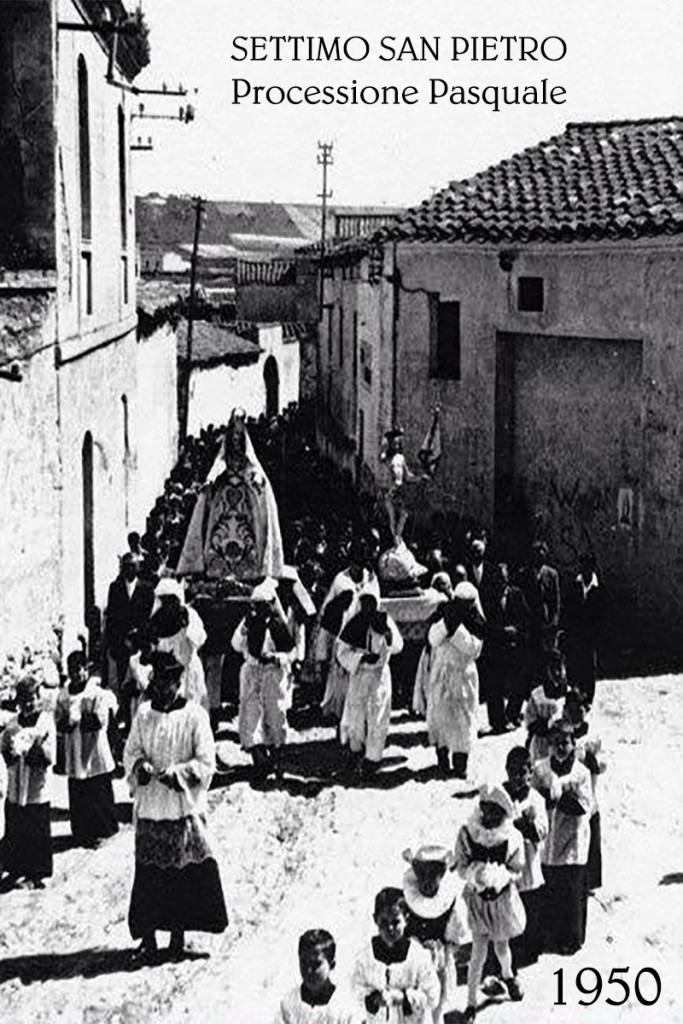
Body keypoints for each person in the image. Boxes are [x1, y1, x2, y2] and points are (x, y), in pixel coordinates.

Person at [123, 651, 228, 962]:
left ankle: (177, 938)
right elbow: (131, 751)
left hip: (182, 810)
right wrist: (139, 766)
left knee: (181, 878)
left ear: (179, 682)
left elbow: (207, 762)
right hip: (152, 809)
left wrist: (181, 774)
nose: (162, 690)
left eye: (169, 683)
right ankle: (148, 940)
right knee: (149, 876)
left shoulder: (195, 716)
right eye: (158, 683)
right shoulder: (143, 715)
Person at [177, 407, 284, 580]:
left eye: (238, 436)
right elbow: (218, 465)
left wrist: (256, 479)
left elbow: (254, 468)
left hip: (243, 498)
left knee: (247, 532)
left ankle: (249, 569)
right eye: (233, 435)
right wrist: (212, 479)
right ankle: (217, 567)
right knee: (219, 529)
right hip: (225, 497)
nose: (235, 440)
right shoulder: (224, 452)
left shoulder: (247, 454)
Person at [454, 784, 526, 1021]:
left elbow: (517, 869)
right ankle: (472, 1003)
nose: (490, 816)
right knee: (478, 953)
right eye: (486, 810)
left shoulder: (511, 837)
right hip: (478, 901)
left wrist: (500, 876)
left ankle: (508, 975)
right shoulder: (468, 832)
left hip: (500, 901)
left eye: (496, 812)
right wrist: (475, 873)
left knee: (502, 947)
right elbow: (461, 865)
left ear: (504, 813)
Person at [532, 719, 592, 955]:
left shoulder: (581, 773)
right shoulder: (541, 769)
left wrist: (563, 796)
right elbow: (533, 798)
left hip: (572, 840)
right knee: (550, 888)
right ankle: (550, 934)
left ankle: (571, 938)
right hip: (548, 839)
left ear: (573, 743)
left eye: (565, 743)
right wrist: (544, 797)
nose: (560, 747)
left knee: (571, 891)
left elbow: (586, 805)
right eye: (555, 743)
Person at [231, 579, 296, 780]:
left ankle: (276, 758)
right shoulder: (248, 623)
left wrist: (278, 658)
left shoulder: (278, 624)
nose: (260, 609)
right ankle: (260, 762)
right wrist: (245, 630)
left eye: (264, 605)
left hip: (273, 676)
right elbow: (235, 645)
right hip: (252, 673)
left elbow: (291, 652)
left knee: (275, 717)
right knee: (251, 717)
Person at [55, 651, 119, 847]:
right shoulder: (64, 695)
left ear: (86, 669)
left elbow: (100, 719)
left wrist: (80, 719)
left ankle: (103, 829)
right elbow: (58, 720)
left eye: (80, 670)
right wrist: (66, 722)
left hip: (93, 747)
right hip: (74, 747)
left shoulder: (96, 693)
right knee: (79, 791)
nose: (76, 674)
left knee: (97, 789)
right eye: (72, 671)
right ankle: (82, 832)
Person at [352, 887, 440, 1024]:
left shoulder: (418, 957)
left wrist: (405, 998)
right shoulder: (365, 957)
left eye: (395, 922)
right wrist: (372, 999)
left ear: (406, 918)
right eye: (384, 923)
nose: (390, 928)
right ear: (375, 919)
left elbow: (432, 996)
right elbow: (356, 989)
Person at [337, 599, 404, 779]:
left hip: (380, 676)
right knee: (356, 715)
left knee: (378, 716)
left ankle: (372, 759)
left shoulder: (385, 620)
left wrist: (388, 638)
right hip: (360, 674)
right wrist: (361, 658)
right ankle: (356, 750)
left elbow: (399, 646)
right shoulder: (354, 623)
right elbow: (342, 653)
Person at [402, 846, 469, 1024]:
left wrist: (442, 950)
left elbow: (456, 939)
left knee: (436, 1006)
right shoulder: (408, 900)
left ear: (441, 876)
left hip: (437, 964)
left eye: (432, 877)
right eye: (422, 875)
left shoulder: (448, 904)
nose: (427, 882)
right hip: (412, 966)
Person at [0, 676, 56, 890]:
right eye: (24, 700)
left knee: (36, 826)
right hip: (16, 782)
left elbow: (50, 756)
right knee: (16, 824)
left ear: (38, 699)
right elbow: (3, 749)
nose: (28, 704)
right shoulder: (13, 724)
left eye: (32, 699)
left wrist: (35, 751)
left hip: (36, 785)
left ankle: (37, 872)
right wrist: (11, 754)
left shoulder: (45, 722)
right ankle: (16, 867)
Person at [425, 582, 484, 780]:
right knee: (440, 717)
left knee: (463, 721)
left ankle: (460, 761)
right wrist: (445, 626)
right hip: (442, 674)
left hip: (464, 676)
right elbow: (432, 639)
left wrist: (456, 629)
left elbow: (473, 649)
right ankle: (442, 757)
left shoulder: (476, 620)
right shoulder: (443, 615)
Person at [503, 746, 548, 968]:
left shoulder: (536, 799)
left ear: (530, 773)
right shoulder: (500, 796)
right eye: (513, 771)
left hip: (529, 865)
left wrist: (526, 826)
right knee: (510, 910)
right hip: (507, 865)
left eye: (522, 772)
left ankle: (530, 950)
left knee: (531, 909)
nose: (518, 777)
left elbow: (542, 831)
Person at [562, 689, 607, 893]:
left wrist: (595, 762)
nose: (575, 714)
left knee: (591, 832)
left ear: (586, 710)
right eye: (570, 710)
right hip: (570, 789)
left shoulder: (593, 736)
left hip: (590, 790)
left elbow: (603, 761)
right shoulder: (563, 733)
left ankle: (589, 880)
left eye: (579, 710)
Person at [148, 579, 208, 710]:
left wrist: (187, 627)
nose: (167, 604)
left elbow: (200, 640)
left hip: (189, 673)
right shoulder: (157, 620)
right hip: (168, 678)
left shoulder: (190, 615)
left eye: (170, 600)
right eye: (163, 600)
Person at [275, 929, 356, 1024]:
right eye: (303, 962)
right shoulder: (289, 1002)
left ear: (332, 964)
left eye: (316, 964)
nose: (308, 970)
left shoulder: (344, 1008)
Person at [103, 553, 155, 696]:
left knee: (139, 681)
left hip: (140, 643)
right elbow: (112, 615)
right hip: (121, 642)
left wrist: (139, 634)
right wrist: (117, 639)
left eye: (132, 566)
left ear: (138, 567)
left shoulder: (147, 588)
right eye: (126, 566)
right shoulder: (115, 587)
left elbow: (148, 616)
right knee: (122, 681)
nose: (129, 569)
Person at [564, 553, 603, 708]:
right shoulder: (574, 586)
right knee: (575, 665)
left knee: (589, 666)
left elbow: (602, 614)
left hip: (590, 635)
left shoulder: (599, 588)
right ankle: (577, 695)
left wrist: (597, 634)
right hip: (575, 634)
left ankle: (588, 698)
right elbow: (568, 610)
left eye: (587, 567)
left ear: (592, 568)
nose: (584, 570)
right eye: (582, 567)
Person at [525, 646, 567, 764]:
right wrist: (548, 726)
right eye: (553, 669)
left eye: (560, 669)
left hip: (562, 745)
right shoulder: (538, 695)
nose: (557, 673)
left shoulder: (568, 694)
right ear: (547, 670)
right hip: (541, 746)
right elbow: (530, 722)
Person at [526, 542, 561, 679]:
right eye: (537, 554)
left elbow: (556, 600)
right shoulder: (525, 574)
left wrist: (554, 621)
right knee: (532, 656)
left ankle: (549, 685)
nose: (539, 557)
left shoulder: (552, 574)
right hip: (531, 622)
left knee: (548, 657)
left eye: (542, 554)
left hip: (547, 623)